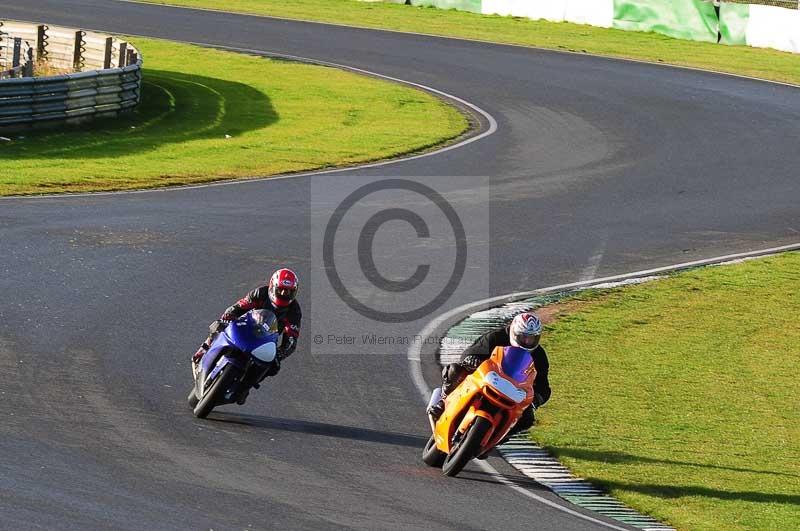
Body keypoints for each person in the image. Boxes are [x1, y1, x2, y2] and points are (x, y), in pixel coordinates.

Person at [427, 312, 551, 437]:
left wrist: (536, 400)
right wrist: (472, 358)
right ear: (514, 332)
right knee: (455, 370)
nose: (527, 341)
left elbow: (544, 387)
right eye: (523, 337)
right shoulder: (496, 337)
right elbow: (472, 351)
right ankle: (443, 401)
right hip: (485, 378)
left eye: (532, 338)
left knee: (527, 419)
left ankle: (501, 437)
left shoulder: (539, 355)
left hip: (512, 392)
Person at [192, 268, 302, 375]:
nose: (283, 294)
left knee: (272, 368)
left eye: (288, 291)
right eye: (281, 289)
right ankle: (203, 349)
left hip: (268, 340)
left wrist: (279, 354)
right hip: (248, 325)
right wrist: (226, 319)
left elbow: (291, 340)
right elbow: (238, 307)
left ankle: (244, 388)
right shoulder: (261, 293)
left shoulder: (294, 311)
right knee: (218, 327)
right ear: (273, 287)